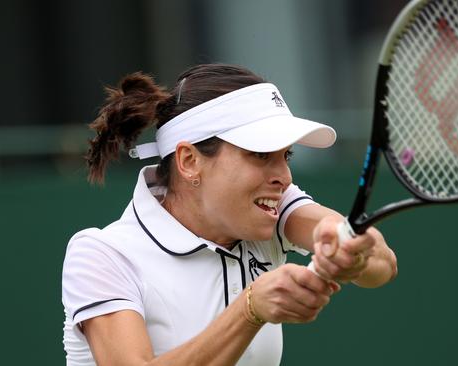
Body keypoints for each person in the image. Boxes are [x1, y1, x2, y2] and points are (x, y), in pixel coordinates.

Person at [61, 63, 398, 366]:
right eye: (261, 154)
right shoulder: (103, 255)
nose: (284, 176)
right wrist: (249, 309)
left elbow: (381, 265)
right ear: (190, 161)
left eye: (286, 156)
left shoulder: (270, 206)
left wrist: (352, 254)